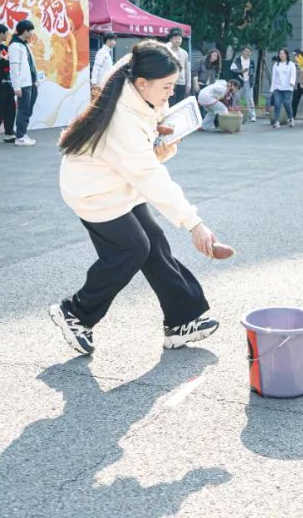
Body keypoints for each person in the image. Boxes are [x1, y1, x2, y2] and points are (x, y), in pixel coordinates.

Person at [53, 40, 225, 355]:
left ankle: (182, 319)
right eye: (167, 87)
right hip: (92, 190)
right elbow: (151, 178)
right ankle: (75, 312)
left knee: (154, 242)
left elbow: (140, 54)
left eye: (173, 86)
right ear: (142, 84)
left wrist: (158, 138)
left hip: (116, 179)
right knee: (132, 249)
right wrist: (194, 224)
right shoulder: (123, 122)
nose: (171, 94)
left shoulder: (133, 74)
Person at [9, 19, 39, 146]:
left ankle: (22, 133)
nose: (31, 33)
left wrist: (35, 80)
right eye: (30, 31)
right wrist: (16, 86)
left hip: (30, 83)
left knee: (28, 110)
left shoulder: (24, 44)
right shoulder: (15, 46)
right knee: (23, 110)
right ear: (25, 31)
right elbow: (14, 67)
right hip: (23, 84)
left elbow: (31, 64)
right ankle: (20, 137)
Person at [269, 48, 296, 128]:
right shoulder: (276, 64)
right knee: (277, 104)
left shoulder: (291, 64)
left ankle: (290, 118)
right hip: (278, 88)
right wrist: (272, 88)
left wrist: (292, 82)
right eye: (280, 53)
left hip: (288, 87)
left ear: (286, 55)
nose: (281, 55)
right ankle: (277, 121)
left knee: (287, 103)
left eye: (283, 53)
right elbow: (274, 77)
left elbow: (293, 74)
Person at [230, 46, 257, 123]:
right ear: (243, 52)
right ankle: (235, 113)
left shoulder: (251, 61)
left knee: (249, 99)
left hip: (248, 81)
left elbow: (253, 71)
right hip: (238, 81)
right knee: (236, 97)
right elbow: (232, 69)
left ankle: (252, 116)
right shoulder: (237, 60)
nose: (247, 53)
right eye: (246, 51)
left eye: (249, 52)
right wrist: (240, 71)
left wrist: (251, 77)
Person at [166, 28, 191, 106]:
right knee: (170, 104)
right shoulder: (166, 50)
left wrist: (188, 83)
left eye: (179, 38)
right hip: (169, 82)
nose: (178, 41)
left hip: (181, 82)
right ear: (170, 39)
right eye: (175, 38)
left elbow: (187, 69)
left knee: (179, 104)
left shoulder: (184, 53)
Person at [90, 32, 117, 97]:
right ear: (108, 41)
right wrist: (94, 82)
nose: (115, 42)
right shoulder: (102, 52)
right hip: (100, 85)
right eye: (114, 40)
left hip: (106, 83)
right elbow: (96, 67)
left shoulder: (107, 53)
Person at [291, 49, 303, 120]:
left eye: (297, 55)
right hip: (296, 85)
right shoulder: (293, 63)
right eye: (295, 55)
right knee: (295, 101)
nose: (295, 57)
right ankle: (292, 116)